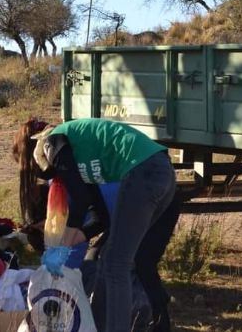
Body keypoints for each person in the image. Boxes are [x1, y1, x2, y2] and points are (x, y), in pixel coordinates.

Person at [14, 117, 177, 332]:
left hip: (145, 172)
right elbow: (101, 216)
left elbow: (79, 199)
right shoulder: (82, 156)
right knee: (107, 257)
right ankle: (98, 325)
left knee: (116, 265)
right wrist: (75, 237)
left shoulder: (51, 142)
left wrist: (62, 245)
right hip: (160, 174)